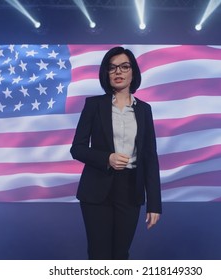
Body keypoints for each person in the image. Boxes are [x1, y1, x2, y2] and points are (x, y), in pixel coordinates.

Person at [70, 46, 162, 260]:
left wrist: (154, 203)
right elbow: (77, 148)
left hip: (131, 190)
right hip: (96, 190)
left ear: (133, 72)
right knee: (99, 254)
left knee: (121, 254)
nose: (118, 72)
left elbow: (150, 157)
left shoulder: (144, 110)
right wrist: (107, 158)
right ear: (106, 73)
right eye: (112, 68)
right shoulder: (94, 105)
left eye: (124, 67)